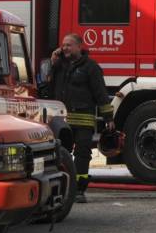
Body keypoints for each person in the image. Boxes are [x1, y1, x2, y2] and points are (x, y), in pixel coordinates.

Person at [49, 33, 114, 203]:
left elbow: (101, 93)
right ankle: (62, 187)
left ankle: (79, 189)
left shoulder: (91, 67)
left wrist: (109, 117)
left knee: (82, 153)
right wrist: (53, 63)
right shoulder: (59, 65)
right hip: (62, 120)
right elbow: (47, 85)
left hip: (83, 119)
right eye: (63, 45)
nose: (65, 48)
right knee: (60, 153)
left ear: (79, 46)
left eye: (69, 45)